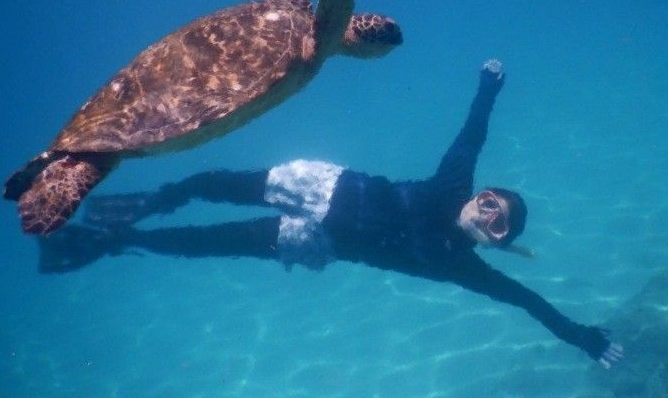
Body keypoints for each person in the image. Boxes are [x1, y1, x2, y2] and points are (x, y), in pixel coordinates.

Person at [39, 60, 623, 368]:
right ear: (478, 194)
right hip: (319, 185)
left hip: (308, 238)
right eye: (491, 201)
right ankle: (143, 205)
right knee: (209, 181)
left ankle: (105, 243)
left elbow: (526, 300)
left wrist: (581, 338)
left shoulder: (465, 267)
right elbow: (471, 136)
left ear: (494, 243)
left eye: (499, 225)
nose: (488, 213)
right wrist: (489, 86)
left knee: (205, 242)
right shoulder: (453, 185)